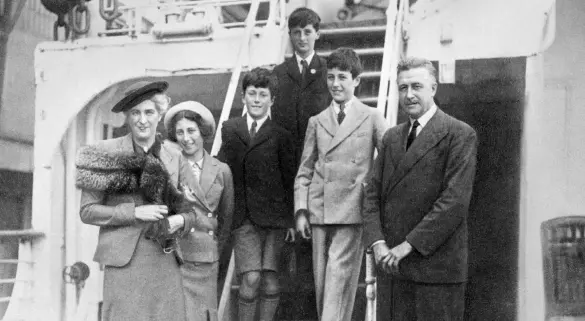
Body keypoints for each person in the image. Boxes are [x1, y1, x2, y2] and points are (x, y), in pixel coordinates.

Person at [362, 57, 478, 321]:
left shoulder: (459, 134)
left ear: (433, 88)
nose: (409, 95)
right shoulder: (391, 138)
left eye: (416, 86)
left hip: (436, 272)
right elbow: (371, 196)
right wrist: (377, 243)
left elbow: (454, 201)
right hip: (393, 270)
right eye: (403, 88)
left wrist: (408, 245)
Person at [76, 81, 187, 321]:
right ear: (127, 117)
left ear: (160, 115)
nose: (142, 120)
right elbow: (87, 211)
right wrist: (135, 212)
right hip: (124, 260)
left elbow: (188, 208)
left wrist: (181, 220)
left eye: (149, 112)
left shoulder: (174, 156)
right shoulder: (104, 152)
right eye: (135, 113)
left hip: (164, 258)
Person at [294, 47, 388, 321]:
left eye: (343, 77)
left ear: (357, 80)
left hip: (352, 210)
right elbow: (305, 171)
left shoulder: (372, 117)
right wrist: (301, 211)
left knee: (338, 277)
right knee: (325, 284)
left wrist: (374, 196)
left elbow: (389, 163)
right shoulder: (317, 121)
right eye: (331, 77)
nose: (335, 84)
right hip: (319, 211)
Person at [217, 67, 296, 321]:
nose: (257, 100)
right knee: (250, 279)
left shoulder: (282, 135)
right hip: (244, 218)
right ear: (243, 97)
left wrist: (292, 220)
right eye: (252, 93)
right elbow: (220, 168)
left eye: (263, 95)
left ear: (272, 100)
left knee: (271, 282)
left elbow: (290, 179)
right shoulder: (230, 129)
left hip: (275, 220)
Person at [163, 101, 234, 321]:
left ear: (202, 132)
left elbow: (226, 219)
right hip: (177, 257)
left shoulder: (222, 171)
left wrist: (213, 251)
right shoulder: (168, 168)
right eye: (180, 132)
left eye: (191, 130)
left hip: (206, 258)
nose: (186, 138)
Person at [272, 7, 330, 165]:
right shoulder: (279, 73)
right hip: (288, 158)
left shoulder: (328, 71)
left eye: (307, 32)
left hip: (321, 154)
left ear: (317, 34)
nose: (302, 38)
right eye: (297, 32)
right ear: (290, 35)